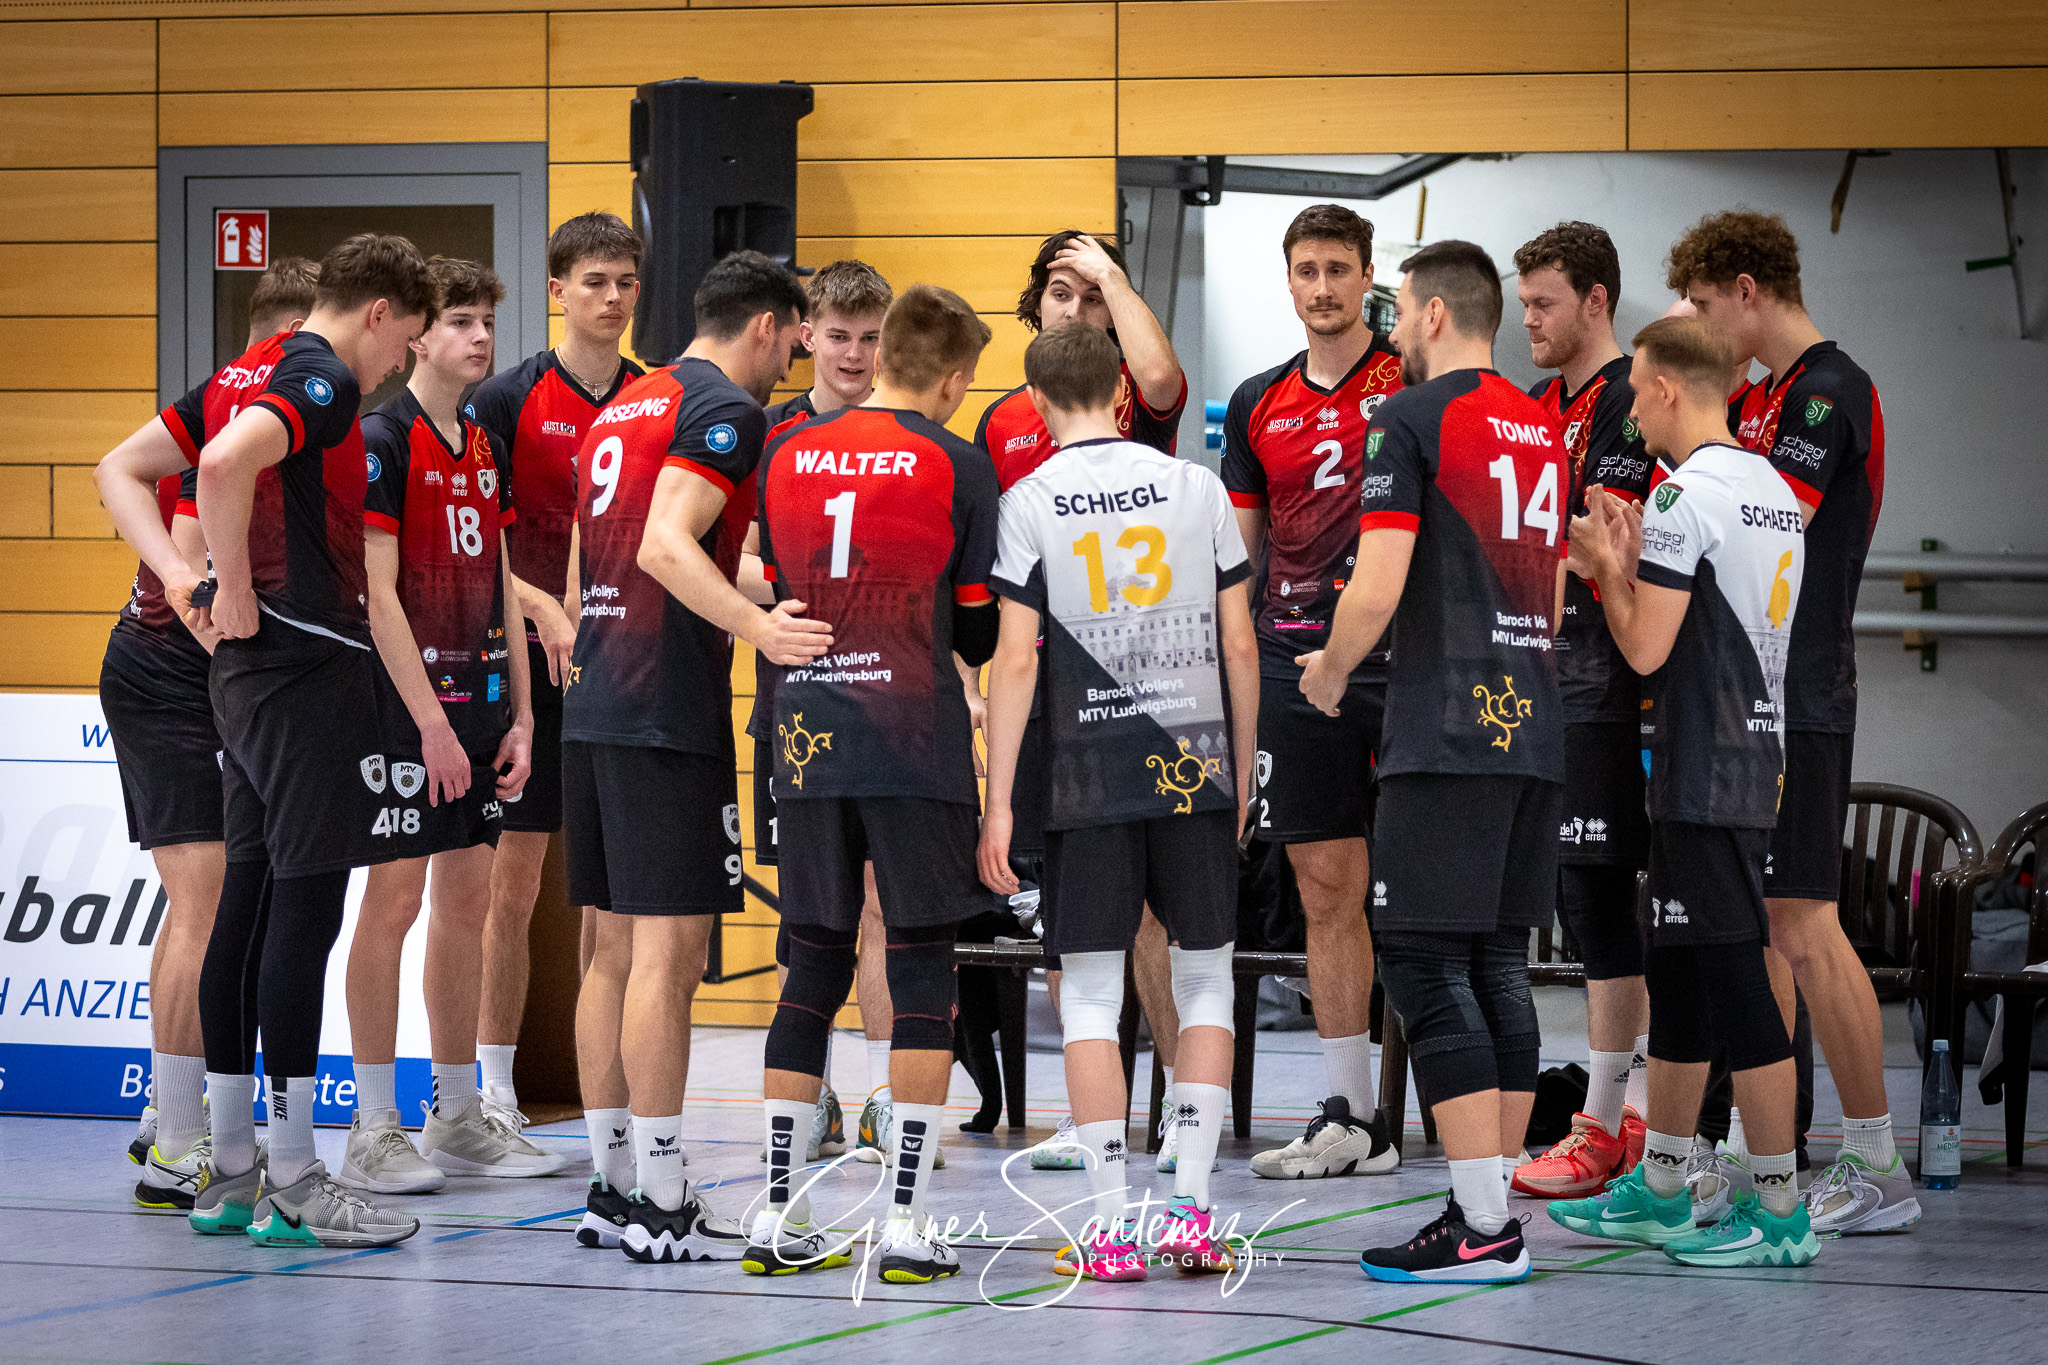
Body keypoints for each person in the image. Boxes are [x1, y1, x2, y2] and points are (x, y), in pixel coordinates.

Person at [1300, 241, 1564, 1285]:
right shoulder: (1541, 425)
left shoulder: (1407, 420)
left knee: (1416, 960)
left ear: (1436, 314)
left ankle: (1483, 1225)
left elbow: (1375, 580)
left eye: (1398, 311)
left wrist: (1326, 672)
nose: (1391, 328)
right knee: (1493, 961)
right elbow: (1545, 598)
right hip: (1532, 726)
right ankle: (1483, 1212)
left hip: (1446, 728)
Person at [980, 322, 1260, 1281]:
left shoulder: (1028, 498)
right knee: (1206, 980)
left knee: (1092, 999)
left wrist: (998, 804)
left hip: (1084, 774)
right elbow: (1240, 642)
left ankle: (1108, 1228)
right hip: (1198, 765)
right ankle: (1190, 1210)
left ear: (1037, 399)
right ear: (1120, 391)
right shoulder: (1199, 487)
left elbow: (1015, 659)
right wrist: (1246, 764)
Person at [184, 233, 441, 1248]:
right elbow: (218, 460)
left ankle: (233, 1168)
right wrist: (236, 586)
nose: (399, 370)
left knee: (245, 911)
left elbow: (202, 463)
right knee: (301, 911)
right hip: (297, 674)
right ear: (378, 312)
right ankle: (294, 1177)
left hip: (253, 681)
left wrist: (225, 584)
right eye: (406, 343)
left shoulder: (285, 366)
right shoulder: (325, 377)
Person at [1547, 315, 1820, 1268]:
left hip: (1704, 770)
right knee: (1685, 972)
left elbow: (1643, 645)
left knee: (1738, 979)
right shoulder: (1771, 486)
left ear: (1661, 385)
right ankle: (1663, 1184)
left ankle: (1782, 1209)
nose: (1627, 402)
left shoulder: (1682, 495)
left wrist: (1602, 571)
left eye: (1636, 387)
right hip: (1753, 756)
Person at [564, 250, 819, 1263]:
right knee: (664, 962)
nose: (792, 361)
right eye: (796, 341)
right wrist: (758, 633)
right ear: (765, 326)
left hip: (593, 697)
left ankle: (611, 1182)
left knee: (610, 952)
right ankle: (664, 1192)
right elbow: (665, 548)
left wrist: (761, 588)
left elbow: (610, 546)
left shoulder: (627, 403)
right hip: (663, 709)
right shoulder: (726, 409)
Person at [744, 283, 996, 1284]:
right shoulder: (957, 463)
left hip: (802, 735)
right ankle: (902, 1223)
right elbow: (976, 629)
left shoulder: (781, 452)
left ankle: (771, 1215)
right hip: (913, 743)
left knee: (808, 960)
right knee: (923, 964)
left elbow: (766, 580)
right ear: (951, 376)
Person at [1667, 211, 1912, 1236]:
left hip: (1802, 694)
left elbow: (1773, 520)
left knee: (1807, 921)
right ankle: (1758, 1151)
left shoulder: (1826, 389)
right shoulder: (1763, 398)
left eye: (1702, 307)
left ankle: (1875, 1161)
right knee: (1759, 922)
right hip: (1746, 699)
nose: (1699, 326)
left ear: (1746, 290)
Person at [95, 256, 318, 1208]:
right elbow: (184, 551)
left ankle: (170, 1112)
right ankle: (182, 1145)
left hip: (208, 678)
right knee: (207, 900)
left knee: (208, 900)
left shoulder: (284, 421)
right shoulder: (241, 416)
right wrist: (193, 589)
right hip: (169, 677)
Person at [974, 229, 1196, 1173]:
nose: (1077, 309)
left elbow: (1166, 380)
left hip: (1150, 689)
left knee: (1158, 919)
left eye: (1094, 296)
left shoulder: (1132, 406)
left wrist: (1109, 274)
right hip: (1049, 687)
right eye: (1061, 292)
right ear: (1033, 310)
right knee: (1070, 916)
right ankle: (1091, 1112)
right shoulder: (1001, 424)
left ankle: (1189, 1106)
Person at [340, 257, 563, 1193]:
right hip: (403, 711)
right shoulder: (382, 439)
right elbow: (378, 595)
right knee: (392, 906)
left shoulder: (479, 440)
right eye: (460, 321)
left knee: (466, 908)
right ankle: (372, 1123)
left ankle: (458, 1111)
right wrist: (428, 721)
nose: (480, 337)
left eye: (486, 322)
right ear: (416, 336)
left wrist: (518, 714)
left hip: (477, 707)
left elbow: (502, 583)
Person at [1221, 203, 1403, 1179]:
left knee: (1426, 900)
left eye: (1338, 268)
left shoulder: (1413, 383)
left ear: (1367, 275)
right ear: (1286, 281)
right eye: (1306, 270)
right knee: (1323, 890)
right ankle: (1353, 1116)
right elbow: (1239, 561)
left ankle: (1477, 1116)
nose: (1322, 287)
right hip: (1296, 672)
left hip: (1407, 671)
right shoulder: (1257, 401)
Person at [465, 213, 645, 1122]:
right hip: (524, 670)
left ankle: (601, 1087)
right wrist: (539, 607)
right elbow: (474, 538)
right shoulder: (505, 399)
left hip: (623, 671)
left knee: (608, 892)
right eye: (595, 282)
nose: (611, 299)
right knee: (516, 878)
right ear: (557, 291)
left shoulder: (659, 398)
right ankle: (492, 1089)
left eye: (625, 283)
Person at [1508, 223, 1656, 1198]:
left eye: (1545, 303)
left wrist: (1504, 518)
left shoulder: (1625, 401)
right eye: (1520, 304)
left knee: (1605, 907)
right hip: (1531, 682)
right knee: (1562, 901)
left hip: (1604, 682)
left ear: (1594, 301)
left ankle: (1609, 1122)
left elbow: (1599, 541)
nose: (1529, 320)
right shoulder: (1530, 404)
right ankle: (1598, 1113)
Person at [745, 260, 897, 1165]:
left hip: (889, 709)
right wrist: (789, 598)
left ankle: (884, 1091)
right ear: (805, 335)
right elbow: (732, 561)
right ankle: (816, 1095)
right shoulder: (767, 433)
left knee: (884, 901)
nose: (854, 352)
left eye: (870, 336)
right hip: (796, 705)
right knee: (807, 912)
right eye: (837, 335)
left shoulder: (905, 430)